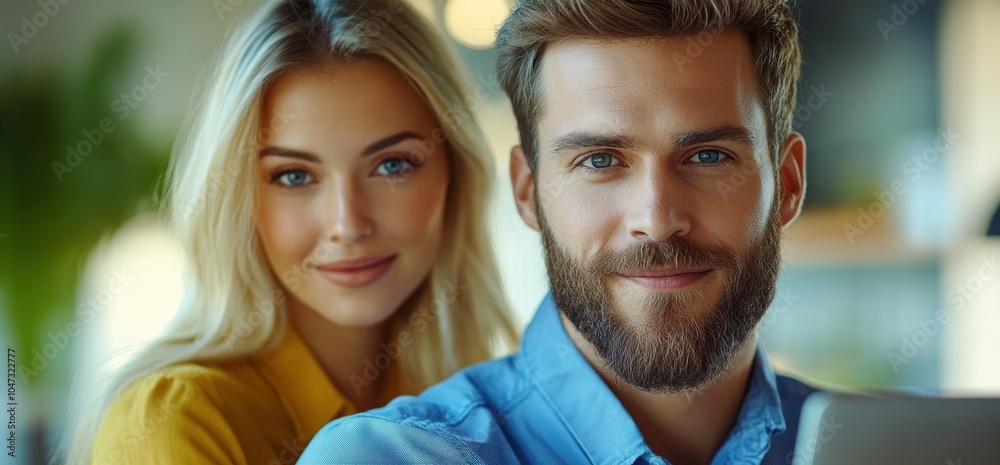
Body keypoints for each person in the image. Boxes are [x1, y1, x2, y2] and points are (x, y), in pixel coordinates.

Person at [299, 0, 816, 464]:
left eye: (708, 157)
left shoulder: (883, 448)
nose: (657, 220)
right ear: (527, 191)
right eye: (599, 160)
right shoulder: (385, 458)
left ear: (788, 184)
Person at [57, 0, 518, 463]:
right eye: (294, 176)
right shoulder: (178, 419)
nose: (347, 224)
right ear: (236, 196)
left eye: (392, 165)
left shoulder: (476, 405)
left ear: (455, 173)